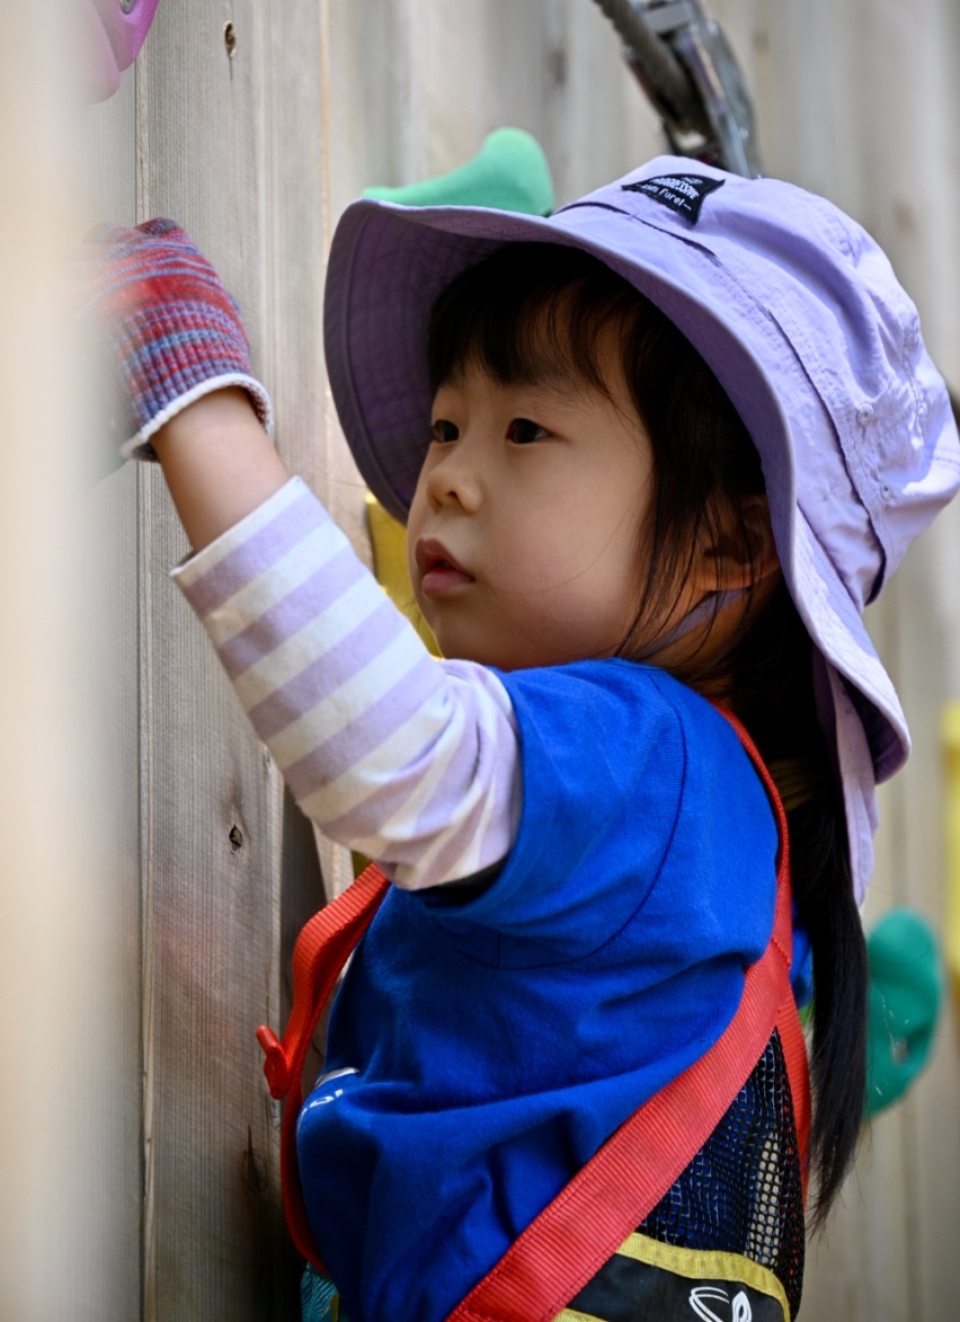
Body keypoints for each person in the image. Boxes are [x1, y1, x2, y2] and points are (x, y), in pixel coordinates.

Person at [80, 159, 960, 1321]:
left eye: (526, 428)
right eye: (448, 423)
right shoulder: (708, 840)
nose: (445, 476)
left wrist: (192, 387)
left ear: (730, 548)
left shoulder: (663, 765)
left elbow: (394, 747)